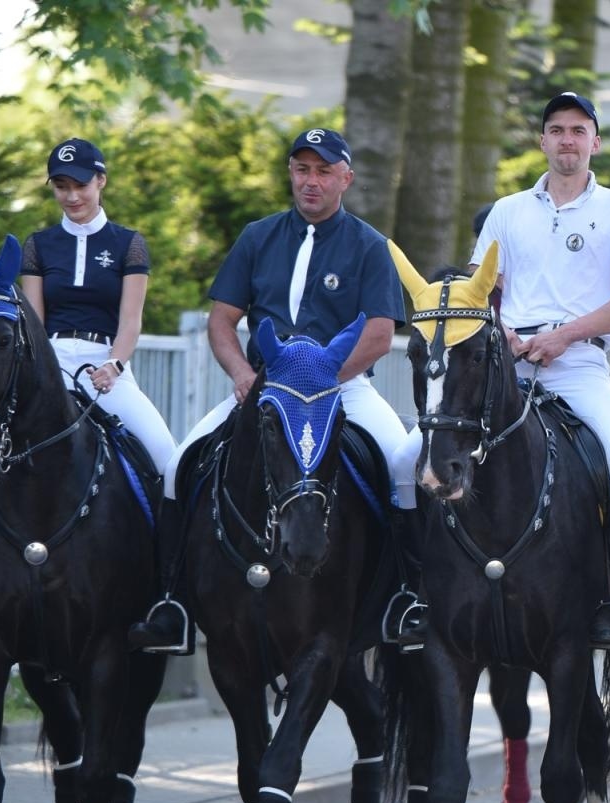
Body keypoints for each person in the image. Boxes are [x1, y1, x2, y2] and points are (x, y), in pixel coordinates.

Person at [387, 91, 610, 651]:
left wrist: (564, 336)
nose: (567, 140)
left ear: (594, 142)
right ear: (542, 141)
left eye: (578, 130)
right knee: (401, 461)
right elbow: (475, 295)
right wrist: (501, 333)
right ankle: (415, 593)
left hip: (579, 364)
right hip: (502, 364)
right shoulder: (508, 211)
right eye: (557, 129)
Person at [128, 128, 408, 654]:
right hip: (264, 389)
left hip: (342, 388)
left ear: (345, 178)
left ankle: (406, 598)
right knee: (178, 467)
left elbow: (378, 334)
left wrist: (320, 381)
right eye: (302, 169)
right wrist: (241, 375)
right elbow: (222, 321)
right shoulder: (258, 237)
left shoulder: (370, 246)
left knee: (402, 468)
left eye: (324, 171)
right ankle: (172, 602)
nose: (311, 180)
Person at [0, 137, 177, 588]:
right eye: (61, 186)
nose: (71, 196)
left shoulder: (129, 245)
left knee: (166, 458)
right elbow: (33, 321)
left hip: (108, 366)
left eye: (80, 185)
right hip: (49, 362)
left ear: (101, 181)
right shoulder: (39, 245)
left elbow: (131, 321)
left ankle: (169, 583)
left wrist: (116, 365)